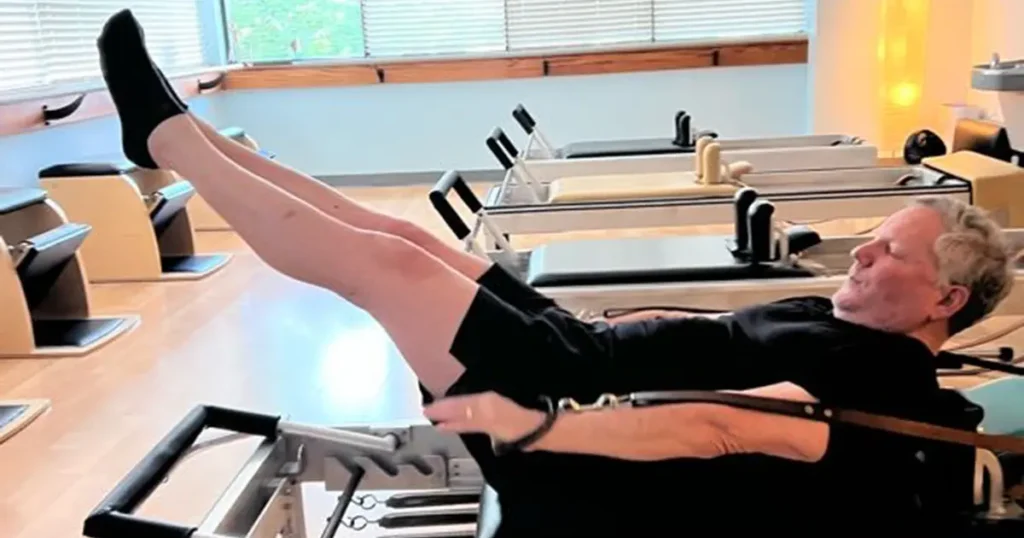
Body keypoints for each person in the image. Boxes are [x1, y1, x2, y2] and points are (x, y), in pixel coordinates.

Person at [95, 10, 1015, 535]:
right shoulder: (848, 320)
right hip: (583, 355)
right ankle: (195, 136)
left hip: (569, 411)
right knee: (396, 234)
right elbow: (720, 346)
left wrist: (527, 427)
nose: (860, 252)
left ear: (945, 298)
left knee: (376, 265)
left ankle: (170, 140)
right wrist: (625, 320)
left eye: (888, 252)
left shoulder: (885, 376)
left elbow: (712, 428)